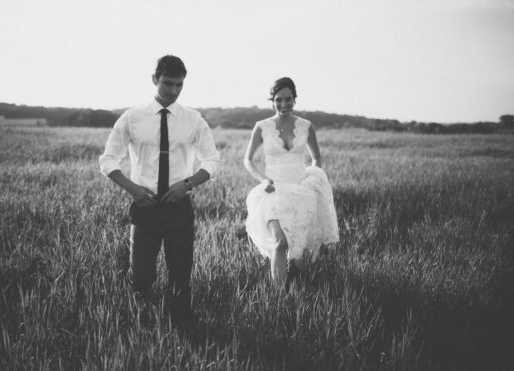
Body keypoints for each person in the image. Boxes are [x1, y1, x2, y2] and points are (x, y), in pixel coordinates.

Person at [99, 55, 221, 326]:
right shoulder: (132, 118)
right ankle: (141, 320)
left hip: (179, 208)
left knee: (180, 275)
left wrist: (187, 185)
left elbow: (212, 161)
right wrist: (133, 190)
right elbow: (107, 160)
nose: (174, 91)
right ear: (155, 79)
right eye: (168, 84)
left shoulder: (193, 119)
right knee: (142, 277)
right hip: (145, 207)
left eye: (179, 85)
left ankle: (182, 325)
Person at [244, 77, 339, 290]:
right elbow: (248, 160)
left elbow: (316, 158)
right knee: (281, 242)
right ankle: (278, 298)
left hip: (300, 192)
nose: (284, 104)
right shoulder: (262, 127)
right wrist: (263, 179)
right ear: (272, 101)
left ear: (294, 100)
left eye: (288, 99)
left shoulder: (306, 126)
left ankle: (296, 289)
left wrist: (313, 179)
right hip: (273, 191)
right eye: (279, 100)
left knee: (298, 248)